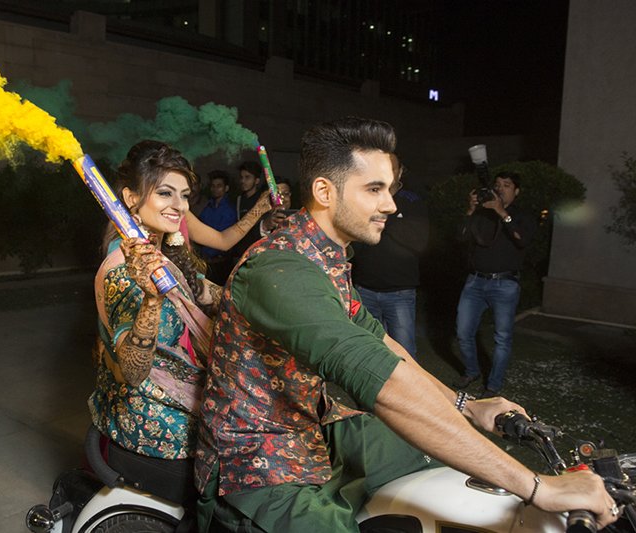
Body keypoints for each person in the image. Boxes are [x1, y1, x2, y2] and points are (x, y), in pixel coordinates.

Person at [194, 118, 616, 532]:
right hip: (255, 460)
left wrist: (466, 405)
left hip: (311, 425)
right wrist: (539, 488)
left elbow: (380, 342)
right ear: (324, 191)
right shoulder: (280, 270)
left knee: (432, 467)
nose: (391, 204)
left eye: (390, 189)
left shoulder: (323, 256)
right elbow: (385, 385)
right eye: (374, 189)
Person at [89, 140, 219, 508]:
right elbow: (133, 371)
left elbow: (210, 293)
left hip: (179, 387)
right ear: (131, 198)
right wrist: (150, 300)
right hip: (148, 412)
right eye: (165, 193)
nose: (179, 206)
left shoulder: (163, 253)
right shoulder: (123, 270)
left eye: (184, 195)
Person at [453, 171, 537, 398]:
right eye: (497, 184)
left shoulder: (523, 215)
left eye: (507, 185)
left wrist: (502, 213)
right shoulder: (483, 214)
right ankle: (472, 371)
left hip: (505, 285)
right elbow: (460, 237)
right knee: (463, 332)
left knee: (502, 338)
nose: (500, 188)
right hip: (475, 282)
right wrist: (470, 210)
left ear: (516, 191)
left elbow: (523, 240)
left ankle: (493, 386)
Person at [350, 159, 429, 358]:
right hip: (365, 289)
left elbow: (419, 242)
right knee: (371, 351)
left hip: (399, 292)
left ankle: (409, 389)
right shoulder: (366, 198)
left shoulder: (411, 201)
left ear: (400, 171)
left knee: (404, 354)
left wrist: (387, 216)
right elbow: (355, 241)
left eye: (391, 166)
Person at [196, 170, 238, 285]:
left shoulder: (229, 210)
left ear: (226, 188)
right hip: (206, 261)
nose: (215, 189)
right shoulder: (208, 206)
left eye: (219, 186)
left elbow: (225, 237)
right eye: (213, 186)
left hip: (221, 263)